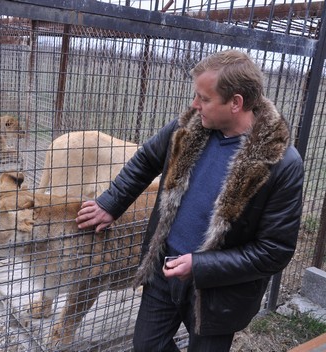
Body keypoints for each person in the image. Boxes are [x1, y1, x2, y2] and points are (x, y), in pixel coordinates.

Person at [75, 49, 304, 351]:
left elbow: (274, 251)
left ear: (236, 103)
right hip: (164, 267)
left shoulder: (281, 163)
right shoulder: (189, 128)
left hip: (217, 290)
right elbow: (145, 160)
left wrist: (200, 265)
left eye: (205, 99)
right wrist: (110, 203)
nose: (195, 105)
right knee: (146, 345)